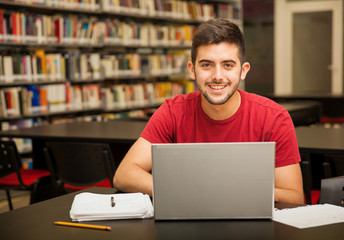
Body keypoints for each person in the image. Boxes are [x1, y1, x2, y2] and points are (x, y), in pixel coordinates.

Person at [113, 18, 304, 204]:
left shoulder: (274, 117)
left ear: (243, 70)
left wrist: (235, 192)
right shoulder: (172, 111)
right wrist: (184, 191)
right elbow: (124, 174)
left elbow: (295, 197)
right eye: (206, 65)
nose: (217, 76)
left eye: (228, 65)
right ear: (192, 69)